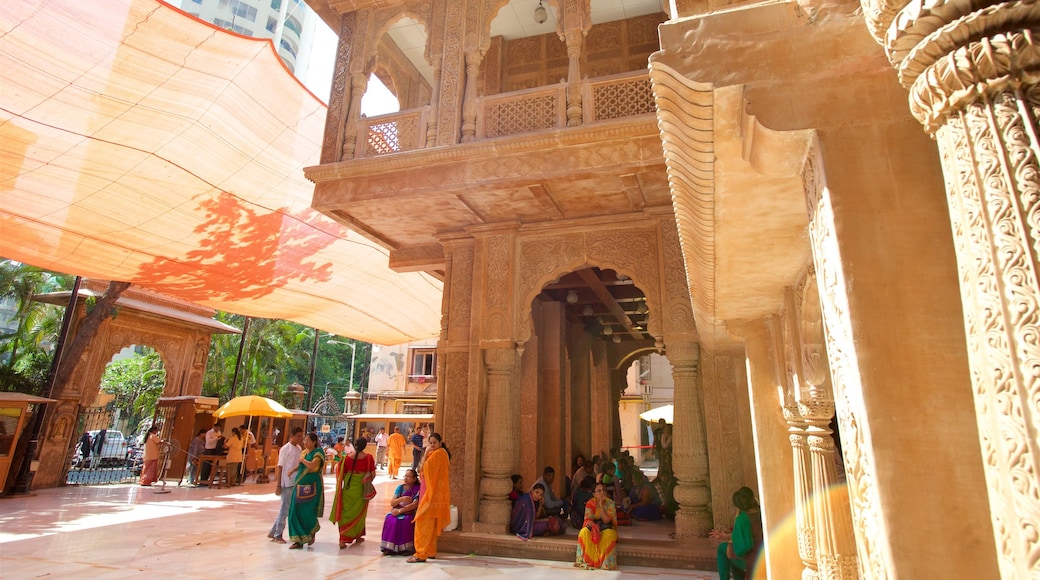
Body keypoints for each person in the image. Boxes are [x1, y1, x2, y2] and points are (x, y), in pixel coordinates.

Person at [408, 432, 450, 563]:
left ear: (440, 442)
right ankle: (430, 551)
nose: (432, 445)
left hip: (431, 495)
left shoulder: (440, 454)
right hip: (429, 492)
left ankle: (420, 553)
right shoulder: (436, 453)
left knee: (422, 523)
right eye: (430, 443)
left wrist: (425, 454)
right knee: (430, 524)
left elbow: (424, 468)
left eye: (434, 443)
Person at [331, 437, 376, 549]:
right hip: (361, 490)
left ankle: (342, 539)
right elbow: (372, 475)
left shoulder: (346, 458)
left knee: (345, 513)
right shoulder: (369, 458)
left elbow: (340, 475)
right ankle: (357, 535)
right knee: (360, 514)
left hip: (347, 489)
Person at [710, 487, 764, 580]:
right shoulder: (762, 511)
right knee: (730, 553)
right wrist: (725, 534)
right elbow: (745, 534)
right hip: (764, 554)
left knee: (723, 549)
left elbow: (742, 546)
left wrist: (723, 537)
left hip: (752, 559)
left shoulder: (742, 518)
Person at [287, 432, 326, 549]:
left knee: (307, 510)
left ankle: (311, 531)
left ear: (314, 442)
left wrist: (302, 460)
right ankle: (297, 540)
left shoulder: (318, 453)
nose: (305, 442)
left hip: (312, 485)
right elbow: (301, 465)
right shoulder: (304, 452)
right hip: (300, 483)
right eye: (304, 440)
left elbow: (313, 465)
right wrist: (293, 470)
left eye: (308, 440)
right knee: (294, 510)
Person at [267, 427, 304, 544]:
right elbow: (280, 466)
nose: (300, 438)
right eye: (298, 436)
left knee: (287, 509)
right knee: (285, 509)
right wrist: (278, 484)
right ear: (291, 435)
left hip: (295, 481)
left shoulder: (298, 448)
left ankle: (273, 531)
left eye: (301, 436)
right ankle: (278, 534)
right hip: (286, 482)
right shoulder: (285, 449)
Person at [575, 482, 619, 570]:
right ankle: (586, 561)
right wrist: (593, 525)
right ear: (594, 494)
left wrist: (601, 506)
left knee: (609, 535)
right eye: (599, 491)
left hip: (607, 528)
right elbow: (587, 519)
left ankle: (606, 564)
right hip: (595, 527)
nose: (602, 492)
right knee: (583, 532)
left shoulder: (610, 503)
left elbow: (607, 520)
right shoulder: (590, 503)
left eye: (603, 490)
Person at [380, 468, 421, 555]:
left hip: (409, 512)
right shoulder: (400, 488)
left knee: (405, 521)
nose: (406, 478)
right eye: (405, 476)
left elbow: (414, 504)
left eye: (409, 477)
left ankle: (406, 548)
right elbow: (392, 502)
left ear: (414, 479)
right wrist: (402, 499)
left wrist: (400, 511)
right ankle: (389, 547)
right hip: (397, 511)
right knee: (390, 519)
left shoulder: (417, 489)